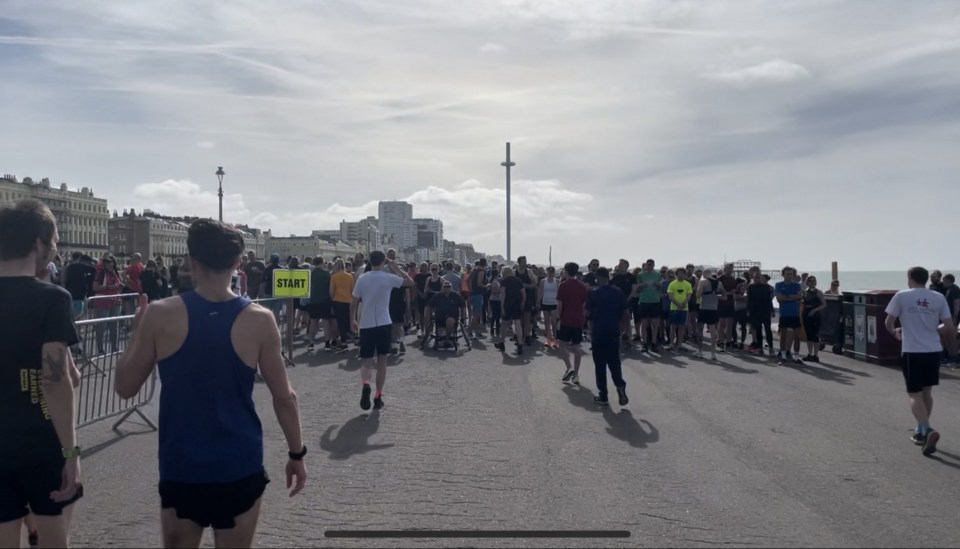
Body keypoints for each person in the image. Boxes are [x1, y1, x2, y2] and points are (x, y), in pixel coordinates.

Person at [115, 219, 307, 547]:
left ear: (191, 260)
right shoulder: (260, 320)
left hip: (182, 463)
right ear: (237, 263)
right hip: (239, 461)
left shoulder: (160, 314)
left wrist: (136, 332)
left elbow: (124, 387)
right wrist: (296, 454)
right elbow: (284, 397)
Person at [0, 200, 83, 549]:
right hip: (40, 441)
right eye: (54, 240)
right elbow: (55, 379)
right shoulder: (52, 298)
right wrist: (70, 453)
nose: (55, 248)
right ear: (38, 243)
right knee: (53, 535)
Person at [884, 266, 956, 456]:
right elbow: (948, 325)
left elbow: (888, 322)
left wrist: (896, 333)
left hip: (912, 350)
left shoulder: (902, 295)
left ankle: (927, 430)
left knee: (914, 393)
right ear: (926, 279)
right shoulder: (938, 297)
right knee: (927, 392)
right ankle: (920, 430)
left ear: (910, 278)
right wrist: (934, 330)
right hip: (932, 350)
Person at [350, 251, 415, 411]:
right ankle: (378, 395)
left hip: (366, 323)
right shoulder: (388, 278)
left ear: (370, 261)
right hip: (384, 322)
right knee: (382, 361)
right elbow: (410, 282)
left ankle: (366, 384)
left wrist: (352, 319)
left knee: (366, 359)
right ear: (384, 262)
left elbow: (354, 302)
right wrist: (396, 268)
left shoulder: (361, 279)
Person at [585, 268, 628, 406]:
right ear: (608, 277)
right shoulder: (618, 292)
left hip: (599, 331)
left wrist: (589, 331)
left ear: (598, 278)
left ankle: (603, 395)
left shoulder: (594, 293)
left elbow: (587, 314)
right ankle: (619, 384)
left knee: (600, 365)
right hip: (613, 331)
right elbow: (625, 313)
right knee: (614, 363)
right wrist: (624, 330)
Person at [557, 262, 589, 385]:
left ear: (566, 271)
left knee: (562, 344)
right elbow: (584, 304)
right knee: (576, 346)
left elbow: (560, 304)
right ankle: (576, 375)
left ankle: (569, 367)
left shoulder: (563, 285)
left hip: (566, 318)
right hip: (578, 319)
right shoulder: (581, 286)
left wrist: (559, 317)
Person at [424, 280, 466, 350]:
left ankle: (447, 339)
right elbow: (429, 306)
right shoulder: (437, 296)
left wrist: (463, 318)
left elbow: (463, 306)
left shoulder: (456, 295)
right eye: (445, 287)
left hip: (452, 317)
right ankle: (444, 338)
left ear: (451, 287)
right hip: (440, 318)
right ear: (442, 288)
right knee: (443, 323)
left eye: (448, 286)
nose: (447, 288)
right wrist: (429, 316)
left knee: (449, 320)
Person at [775, 266, 804, 365]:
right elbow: (779, 299)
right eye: (787, 274)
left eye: (791, 274)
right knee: (783, 335)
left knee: (797, 336)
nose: (789, 276)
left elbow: (800, 296)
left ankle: (796, 356)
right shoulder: (779, 285)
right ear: (783, 275)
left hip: (794, 313)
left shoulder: (796, 285)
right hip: (784, 313)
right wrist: (793, 297)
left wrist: (786, 296)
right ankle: (783, 356)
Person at [494, 266, 526, 354]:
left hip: (507, 304)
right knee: (517, 323)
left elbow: (502, 295)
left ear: (504, 272)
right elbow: (523, 293)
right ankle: (520, 344)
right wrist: (523, 302)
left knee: (504, 324)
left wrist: (502, 307)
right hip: (517, 304)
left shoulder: (504, 281)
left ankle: (502, 342)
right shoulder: (518, 280)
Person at [636, 259, 662, 353]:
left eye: (651, 264)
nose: (650, 266)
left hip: (655, 301)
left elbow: (660, 287)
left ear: (654, 265)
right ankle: (645, 343)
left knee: (655, 323)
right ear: (646, 265)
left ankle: (654, 343)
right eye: (648, 264)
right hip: (644, 301)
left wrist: (658, 284)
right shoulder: (640, 274)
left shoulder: (658, 274)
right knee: (644, 323)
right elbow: (637, 289)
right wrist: (642, 285)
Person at [329, 259, 354, 351]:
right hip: (348, 300)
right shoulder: (350, 276)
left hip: (337, 300)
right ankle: (347, 337)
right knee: (347, 321)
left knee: (340, 322)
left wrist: (332, 299)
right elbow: (352, 289)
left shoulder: (334, 276)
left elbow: (331, 291)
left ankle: (343, 341)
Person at [696, 269, 721, 360]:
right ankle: (713, 353)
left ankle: (700, 351)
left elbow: (698, 295)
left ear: (704, 274)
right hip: (713, 308)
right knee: (713, 331)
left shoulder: (703, 281)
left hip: (704, 308)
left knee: (700, 329)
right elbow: (725, 296)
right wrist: (714, 295)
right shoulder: (719, 283)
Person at [667, 267, 693, 353]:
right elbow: (670, 297)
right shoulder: (672, 284)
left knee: (682, 327)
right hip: (674, 308)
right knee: (673, 327)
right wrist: (678, 304)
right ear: (676, 274)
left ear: (685, 274)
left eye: (682, 273)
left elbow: (689, 296)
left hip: (684, 309)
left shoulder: (688, 284)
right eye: (679, 273)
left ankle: (679, 344)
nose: (681, 275)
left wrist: (683, 304)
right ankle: (671, 344)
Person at [801, 276, 826, 362]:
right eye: (810, 281)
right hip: (806, 314)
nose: (812, 282)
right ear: (807, 282)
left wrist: (815, 310)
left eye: (813, 281)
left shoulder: (818, 292)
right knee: (808, 335)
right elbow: (802, 303)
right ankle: (809, 354)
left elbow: (824, 304)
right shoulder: (805, 292)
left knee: (815, 335)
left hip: (815, 315)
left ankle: (816, 355)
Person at [539, 266, 560, 349]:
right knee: (547, 322)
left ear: (554, 272)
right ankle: (548, 339)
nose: (550, 273)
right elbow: (541, 292)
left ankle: (555, 340)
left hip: (554, 303)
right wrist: (538, 301)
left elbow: (559, 293)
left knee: (554, 322)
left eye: (552, 272)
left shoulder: (557, 281)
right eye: (549, 272)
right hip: (545, 303)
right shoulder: (543, 281)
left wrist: (560, 303)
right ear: (546, 272)